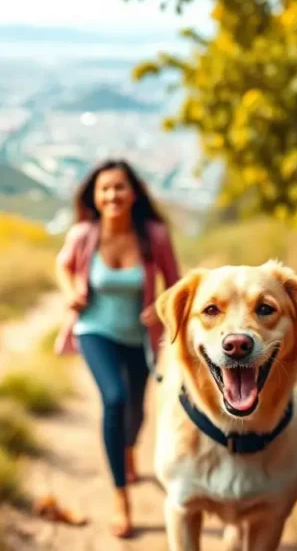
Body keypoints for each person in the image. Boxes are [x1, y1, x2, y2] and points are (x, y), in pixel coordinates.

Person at [53, 158, 181, 538]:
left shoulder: (154, 235)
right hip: (94, 329)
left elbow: (175, 283)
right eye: (104, 188)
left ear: (134, 193)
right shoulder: (83, 234)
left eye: (119, 187)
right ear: (95, 195)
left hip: (139, 338)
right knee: (114, 398)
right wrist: (71, 292)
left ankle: (127, 450)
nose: (112, 194)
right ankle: (120, 499)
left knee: (137, 414)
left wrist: (159, 307)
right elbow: (62, 267)